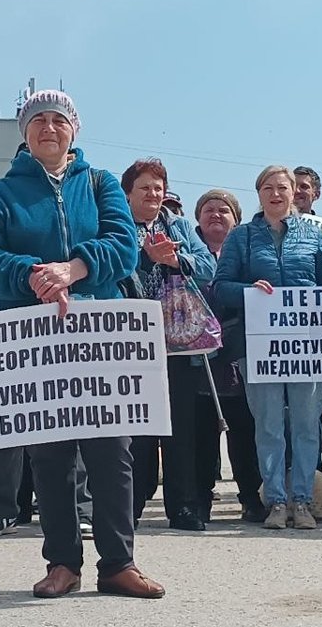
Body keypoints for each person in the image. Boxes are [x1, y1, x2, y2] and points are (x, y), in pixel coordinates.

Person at [0, 90, 163, 599]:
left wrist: (74, 269)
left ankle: (119, 562)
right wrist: (34, 276)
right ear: (25, 132)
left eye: (58, 120)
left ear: (73, 130)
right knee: (50, 453)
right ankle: (63, 562)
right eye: (38, 121)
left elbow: (123, 244)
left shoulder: (99, 183)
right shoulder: (2, 194)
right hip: (35, 337)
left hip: (98, 332)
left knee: (112, 453)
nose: (48, 129)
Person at [212, 165, 322, 530]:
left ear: (294, 192)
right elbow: (221, 287)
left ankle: (302, 500)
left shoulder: (313, 237)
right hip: (260, 345)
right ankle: (276, 501)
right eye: (267, 188)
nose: (276, 194)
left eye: (282, 187)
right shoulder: (242, 236)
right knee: (267, 424)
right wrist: (249, 292)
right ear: (259, 194)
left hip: (307, 347)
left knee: (305, 424)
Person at [122, 159, 216, 531]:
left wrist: (177, 259)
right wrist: (145, 257)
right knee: (138, 430)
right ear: (129, 192)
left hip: (178, 341)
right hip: (133, 340)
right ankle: (130, 506)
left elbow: (208, 266)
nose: (153, 195)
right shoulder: (114, 224)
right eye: (145, 188)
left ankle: (184, 507)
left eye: (159, 188)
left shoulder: (177, 226)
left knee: (181, 428)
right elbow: (111, 267)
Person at [192, 190, 264, 523]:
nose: (216, 215)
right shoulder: (186, 251)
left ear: (236, 219)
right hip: (199, 356)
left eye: (224, 210)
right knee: (202, 432)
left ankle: (251, 496)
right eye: (209, 209)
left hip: (240, 351)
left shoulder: (248, 253)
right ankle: (200, 498)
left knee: (244, 430)